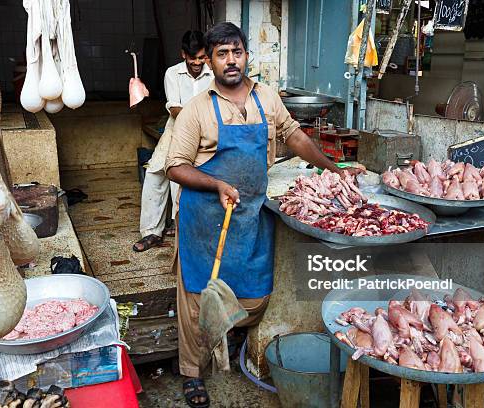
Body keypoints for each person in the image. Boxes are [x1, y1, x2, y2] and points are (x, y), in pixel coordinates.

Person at [165, 22, 364, 407]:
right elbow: (176, 166)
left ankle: (225, 333)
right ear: (210, 61)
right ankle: (192, 372)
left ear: (246, 55)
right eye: (221, 54)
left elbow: (296, 137)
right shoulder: (198, 109)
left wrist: (335, 171)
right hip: (206, 221)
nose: (231, 60)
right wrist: (217, 185)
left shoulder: (266, 98)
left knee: (255, 297)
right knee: (195, 299)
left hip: (250, 216)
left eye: (236, 51)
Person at [132, 31, 212, 252]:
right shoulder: (172, 73)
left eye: (201, 57)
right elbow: (174, 107)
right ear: (183, 54)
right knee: (155, 173)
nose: (197, 63)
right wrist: (196, 118)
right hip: (175, 128)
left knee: (184, 177)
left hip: (206, 133)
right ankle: (151, 233)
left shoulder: (213, 74)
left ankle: (181, 226)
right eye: (192, 57)